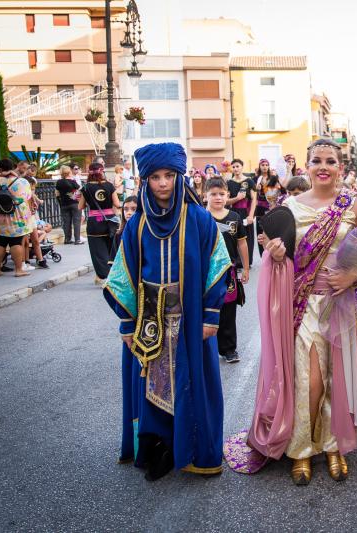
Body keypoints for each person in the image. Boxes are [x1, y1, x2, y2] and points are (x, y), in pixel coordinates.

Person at [226, 138, 357, 486]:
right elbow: (274, 255)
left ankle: (333, 445)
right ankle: (300, 448)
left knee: (339, 380)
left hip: (344, 303)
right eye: (316, 161)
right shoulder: (289, 208)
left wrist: (352, 276)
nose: (323, 166)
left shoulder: (355, 205)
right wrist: (277, 255)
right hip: (305, 304)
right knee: (310, 380)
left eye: (330, 160)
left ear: (340, 167)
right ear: (306, 167)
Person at [103, 142, 231, 481]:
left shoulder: (200, 220)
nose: (163, 183)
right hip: (149, 323)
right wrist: (127, 323)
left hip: (189, 320)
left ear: (180, 177)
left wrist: (210, 315)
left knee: (192, 384)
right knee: (151, 385)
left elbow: (217, 267)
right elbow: (123, 274)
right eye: (155, 177)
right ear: (145, 181)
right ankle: (159, 448)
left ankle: (194, 451)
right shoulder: (137, 225)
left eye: (169, 176)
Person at [205, 178, 250, 364]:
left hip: (228, 272)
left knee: (228, 311)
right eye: (213, 194)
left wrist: (245, 268)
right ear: (205, 195)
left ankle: (229, 349)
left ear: (228, 195)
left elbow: (242, 242)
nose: (217, 198)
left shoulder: (234, 217)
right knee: (205, 310)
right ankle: (205, 349)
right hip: (205, 273)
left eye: (221, 194)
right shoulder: (200, 216)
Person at [0, 159, 34, 277]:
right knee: (16, 243)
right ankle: (18, 270)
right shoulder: (22, 182)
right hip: (17, 219)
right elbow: (26, 197)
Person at [79, 163, 121, 282]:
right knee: (111, 248)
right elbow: (117, 204)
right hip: (110, 222)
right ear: (101, 172)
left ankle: (103, 275)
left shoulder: (86, 187)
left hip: (94, 223)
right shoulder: (109, 185)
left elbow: (80, 206)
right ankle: (114, 273)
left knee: (97, 251)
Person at [226, 158, 257, 266]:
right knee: (234, 236)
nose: (235, 168)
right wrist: (237, 198)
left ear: (242, 167)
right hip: (233, 212)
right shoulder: (229, 183)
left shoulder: (249, 181)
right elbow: (226, 201)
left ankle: (247, 261)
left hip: (246, 212)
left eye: (237, 166)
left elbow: (254, 199)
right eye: (233, 167)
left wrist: (251, 215)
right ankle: (237, 261)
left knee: (247, 236)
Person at [255, 159, 284, 257]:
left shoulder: (273, 178)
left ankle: (273, 252)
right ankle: (262, 255)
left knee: (272, 231)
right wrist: (257, 188)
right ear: (259, 166)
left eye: (266, 164)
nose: (264, 166)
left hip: (272, 207)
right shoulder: (255, 178)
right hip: (260, 208)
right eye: (262, 164)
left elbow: (281, 191)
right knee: (260, 231)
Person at [55, 165, 83, 245]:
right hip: (75, 203)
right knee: (76, 221)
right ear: (69, 172)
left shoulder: (59, 182)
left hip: (64, 204)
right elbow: (80, 189)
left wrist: (60, 203)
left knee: (66, 222)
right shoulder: (72, 181)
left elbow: (57, 194)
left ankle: (67, 239)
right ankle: (77, 240)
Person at [109, 195, 138, 266]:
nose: (129, 212)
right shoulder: (119, 234)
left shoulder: (145, 233)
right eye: (126, 209)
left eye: (134, 209)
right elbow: (114, 260)